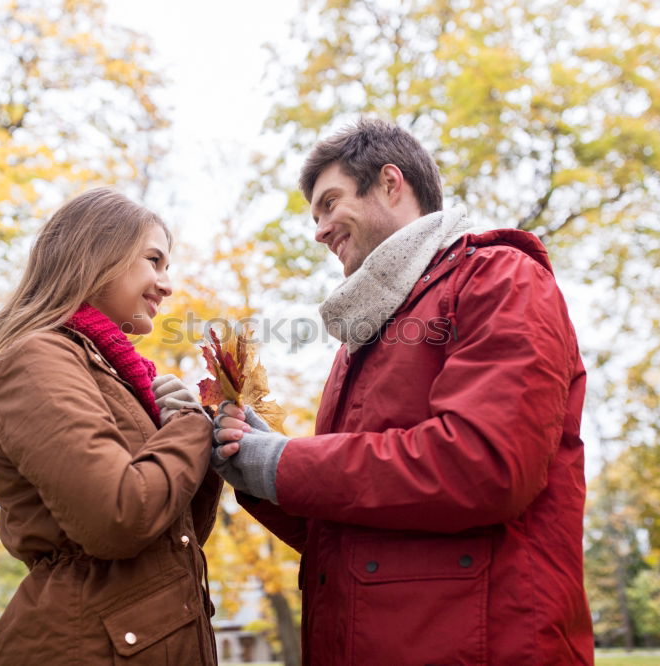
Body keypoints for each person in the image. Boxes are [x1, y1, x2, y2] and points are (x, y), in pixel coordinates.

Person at [213, 119, 594, 664]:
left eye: (330, 203)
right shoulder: (361, 343)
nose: (318, 231)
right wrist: (253, 466)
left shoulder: (500, 279)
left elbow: (484, 466)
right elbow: (348, 534)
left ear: (392, 183)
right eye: (314, 215)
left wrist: (285, 463)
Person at [0, 187, 221, 664]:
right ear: (98, 253)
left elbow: (174, 538)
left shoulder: (119, 376)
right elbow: (119, 518)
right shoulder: (36, 358)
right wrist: (190, 427)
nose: (166, 284)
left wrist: (193, 437)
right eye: (154, 261)